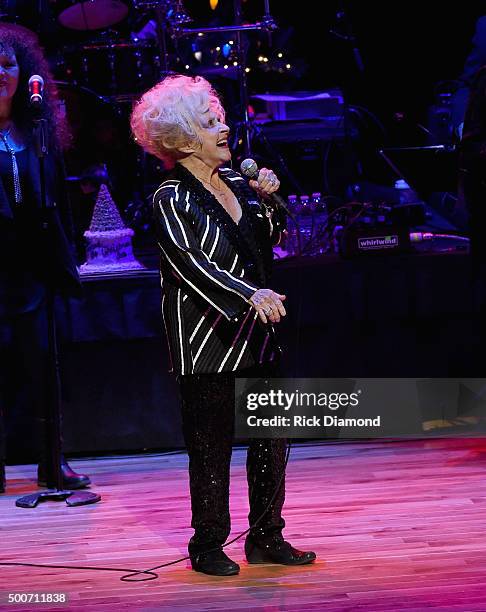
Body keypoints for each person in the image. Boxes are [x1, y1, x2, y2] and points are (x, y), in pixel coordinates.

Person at [130, 74, 316, 576]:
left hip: (259, 332)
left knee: (273, 439)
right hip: (206, 338)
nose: (225, 127)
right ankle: (209, 543)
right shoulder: (170, 197)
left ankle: (266, 535)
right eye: (211, 122)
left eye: (220, 118)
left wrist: (271, 199)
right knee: (211, 447)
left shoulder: (237, 182)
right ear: (183, 138)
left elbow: (267, 243)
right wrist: (248, 295)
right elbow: (190, 264)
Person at [0, 24, 90, 492]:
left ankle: (53, 464)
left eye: (7, 63)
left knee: (43, 371)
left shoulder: (37, 131)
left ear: (23, 72)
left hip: (33, 272)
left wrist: (65, 258)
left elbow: (56, 201)